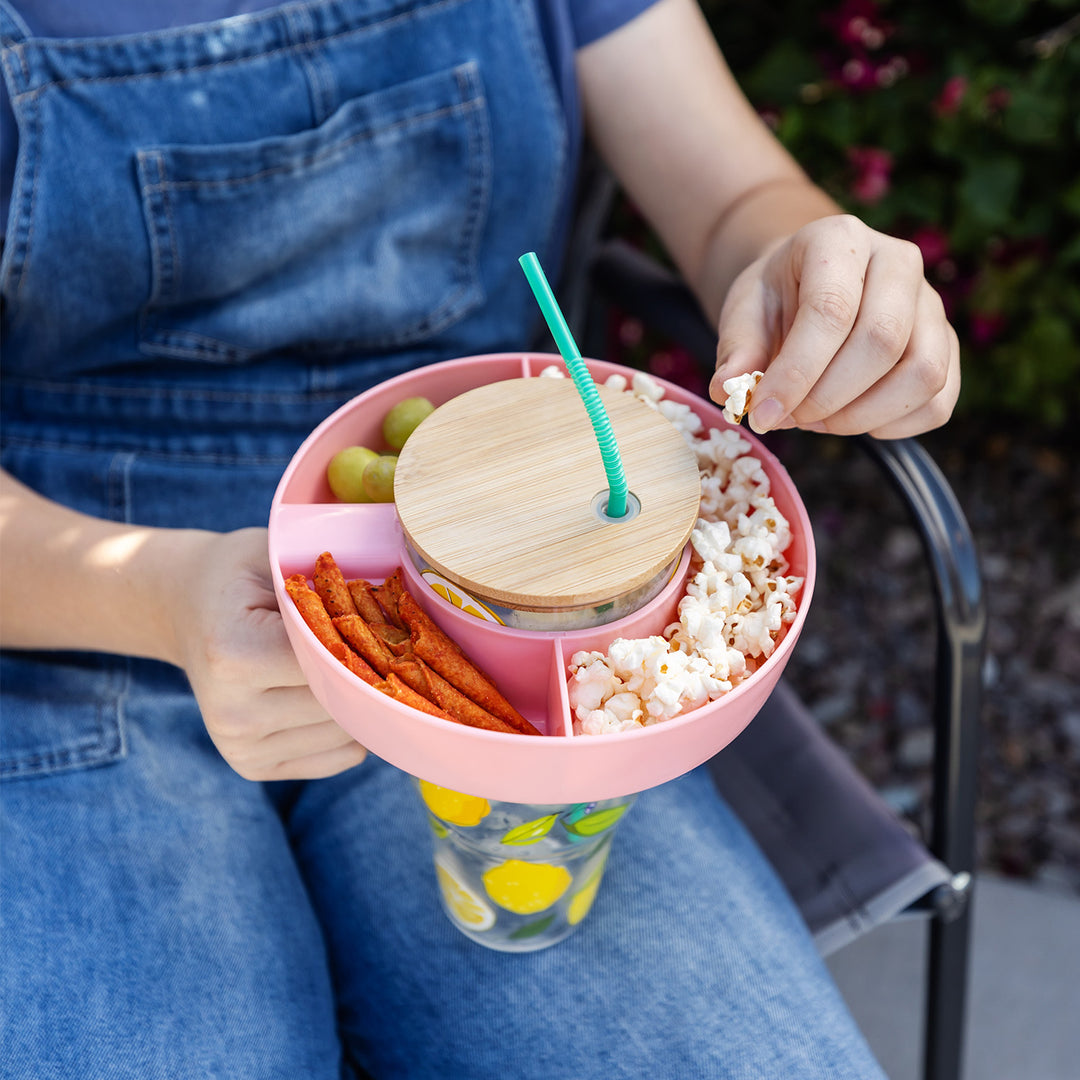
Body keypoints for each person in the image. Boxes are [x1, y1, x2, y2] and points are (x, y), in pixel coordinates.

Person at [0, 0, 959, 1077]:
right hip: (76, 610)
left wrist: (815, 276)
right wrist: (153, 598)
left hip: (511, 561)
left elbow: (734, 192)